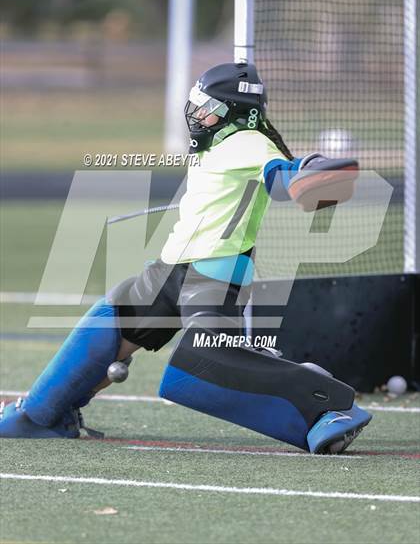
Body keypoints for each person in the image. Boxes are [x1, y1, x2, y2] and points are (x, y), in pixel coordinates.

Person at [0, 62, 371, 453]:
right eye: (195, 104)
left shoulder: (247, 138)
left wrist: (310, 170)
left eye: (206, 106)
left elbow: (282, 174)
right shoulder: (213, 144)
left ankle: (328, 407)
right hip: (170, 269)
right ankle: (42, 416)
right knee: (110, 319)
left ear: (234, 111)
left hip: (212, 275)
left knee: (205, 361)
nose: (196, 114)